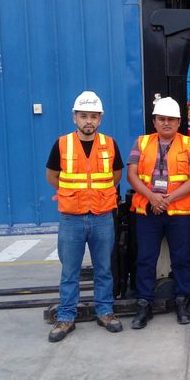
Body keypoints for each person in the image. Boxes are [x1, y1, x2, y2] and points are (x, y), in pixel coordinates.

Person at [45, 91, 124, 342]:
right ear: (74, 117)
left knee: (104, 269)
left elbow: (116, 175)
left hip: (102, 217)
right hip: (72, 218)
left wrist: (96, 196)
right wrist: (73, 195)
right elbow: (52, 177)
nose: (88, 121)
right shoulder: (62, 144)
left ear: (100, 119)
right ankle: (66, 317)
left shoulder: (110, 144)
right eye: (83, 116)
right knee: (70, 271)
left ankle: (105, 311)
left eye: (93, 116)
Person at [127, 96, 190, 328]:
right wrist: (152, 197)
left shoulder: (189, 145)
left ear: (179, 122)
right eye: (162, 119)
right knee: (145, 259)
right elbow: (132, 175)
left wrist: (168, 199)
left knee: (181, 259)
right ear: (155, 121)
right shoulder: (141, 143)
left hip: (178, 212)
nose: (166, 123)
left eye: (171, 119)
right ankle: (144, 303)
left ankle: (181, 301)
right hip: (148, 210)